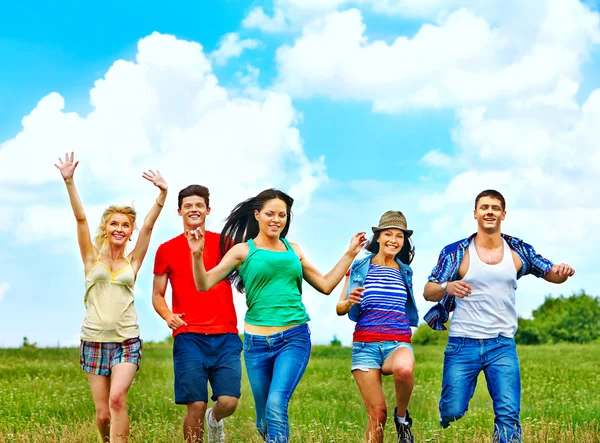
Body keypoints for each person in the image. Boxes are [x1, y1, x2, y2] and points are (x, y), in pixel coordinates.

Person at [184, 188, 366, 443]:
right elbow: (204, 283)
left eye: (282, 215)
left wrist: (350, 253)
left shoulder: (295, 250)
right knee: (264, 419)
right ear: (257, 215)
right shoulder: (242, 251)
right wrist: (196, 254)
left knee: (276, 403)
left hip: (294, 337)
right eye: (270, 213)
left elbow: (325, 285)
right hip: (256, 344)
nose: (276, 219)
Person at [423, 189, 575, 443]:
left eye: (495, 207)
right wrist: (446, 287)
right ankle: (448, 412)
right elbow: (429, 291)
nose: (489, 211)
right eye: (484, 207)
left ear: (503, 214)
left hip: (502, 344)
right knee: (453, 409)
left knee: (508, 414)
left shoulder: (518, 250)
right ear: (475, 213)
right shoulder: (456, 252)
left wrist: (562, 271)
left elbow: (550, 272)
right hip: (462, 343)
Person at [55, 152, 167, 442]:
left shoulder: (133, 261)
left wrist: (162, 195)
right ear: (106, 227)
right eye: (114, 224)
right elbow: (80, 218)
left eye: (125, 226)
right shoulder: (91, 258)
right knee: (103, 413)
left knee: (118, 400)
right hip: (93, 340)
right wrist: (69, 182)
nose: (120, 229)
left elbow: (149, 227)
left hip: (126, 341)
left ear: (129, 232)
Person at [152, 185, 240, 443]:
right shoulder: (166, 249)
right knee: (196, 405)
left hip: (225, 334)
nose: (193, 209)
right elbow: (158, 294)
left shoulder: (225, 244)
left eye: (199, 205)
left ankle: (215, 420)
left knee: (229, 401)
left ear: (207, 210)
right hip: (188, 335)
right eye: (188, 205)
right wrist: (168, 315)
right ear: (179, 211)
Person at [336, 211, 419, 443]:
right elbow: (339, 308)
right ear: (379, 237)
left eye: (399, 236)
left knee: (404, 369)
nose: (394, 240)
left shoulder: (405, 271)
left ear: (404, 241)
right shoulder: (359, 267)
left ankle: (402, 419)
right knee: (377, 414)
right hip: (365, 346)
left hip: (398, 342)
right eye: (388, 234)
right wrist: (349, 301)